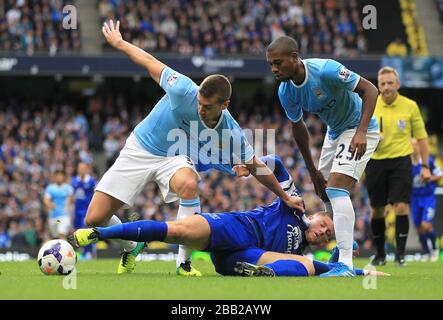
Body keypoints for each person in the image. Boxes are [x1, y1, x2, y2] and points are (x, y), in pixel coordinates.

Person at [91, 20, 304, 275]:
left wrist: (285, 196)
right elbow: (150, 63)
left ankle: (183, 262)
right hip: (141, 148)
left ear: (224, 105)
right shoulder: (183, 89)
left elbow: (256, 166)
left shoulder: (231, 131)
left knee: (190, 184)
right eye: (200, 102)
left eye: (207, 106)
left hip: (174, 156)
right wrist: (119, 43)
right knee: (94, 218)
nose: (200, 109)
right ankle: (132, 244)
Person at [71, 155, 388, 278]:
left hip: (239, 259)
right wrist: (253, 167)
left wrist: (350, 266)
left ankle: (265, 275)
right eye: (325, 225)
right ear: (316, 215)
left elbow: (320, 264)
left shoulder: (301, 251)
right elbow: (276, 163)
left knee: (306, 267)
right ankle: (100, 234)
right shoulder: (295, 207)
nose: (322, 233)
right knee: (177, 231)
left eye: (328, 235)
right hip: (237, 229)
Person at [265, 36, 380, 277]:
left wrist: (360, 132)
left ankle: (346, 265)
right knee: (325, 190)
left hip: (360, 128)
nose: (274, 69)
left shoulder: (327, 70)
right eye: (271, 64)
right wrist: (312, 169)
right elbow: (298, 127)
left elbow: (370, 89)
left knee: (338, 190)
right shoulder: (286, 91)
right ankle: (346, 245)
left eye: (278, 63)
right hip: (335, 132)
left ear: (295, 58)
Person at [365, 66, 430, 267]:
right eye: (383, 84)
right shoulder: (370, 105)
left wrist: (426, 166)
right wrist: (372, 137)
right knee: (377, 210)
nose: (386, 87)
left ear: (398, 84)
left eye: (390, 83)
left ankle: (400, 255)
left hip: (401, 161)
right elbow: (357, 132)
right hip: (375, 161)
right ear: (378, 86)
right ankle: (380, 254)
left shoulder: (410, 106)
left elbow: (421, 137)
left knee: (401, 206)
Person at [411, 139, 442, 262]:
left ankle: (435, 248)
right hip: (414, 198)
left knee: (426, 225)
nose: (412, 148)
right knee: (418, 227)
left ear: (419, 147)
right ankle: (427, 252)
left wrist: (429, 178)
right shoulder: (406, 163)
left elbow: (440, 175)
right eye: (410, 146)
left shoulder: (427, 161)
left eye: (414, 145)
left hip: (428, 197)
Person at [71, 162, 97, 260]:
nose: (81, 170)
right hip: (76, 210)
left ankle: (89, 252)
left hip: (86, 210)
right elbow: (71, 196)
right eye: (80, 168)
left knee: (85, 230)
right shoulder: (73, 181)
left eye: (83, 168)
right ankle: (81, 252)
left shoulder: (91, 181)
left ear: (86, 169)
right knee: (77, 231)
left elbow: (96, 194)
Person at [44, 170, 74, 240]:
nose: (59, 177)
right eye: (57, 176)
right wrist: (49, 204)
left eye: (61, 176)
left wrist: (68, 207)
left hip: (63, 215)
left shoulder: (68, 188)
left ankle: (63, 250)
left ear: (63, 177)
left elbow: (71, 199)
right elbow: (46, 199)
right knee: (55, 235)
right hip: (53, 215)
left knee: (61, 233)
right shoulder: (50, 188)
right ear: (54, 177)